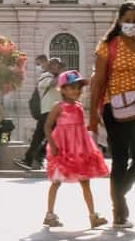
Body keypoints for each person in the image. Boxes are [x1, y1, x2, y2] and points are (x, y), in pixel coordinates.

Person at [87, 1, 135, 229]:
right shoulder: (107, 46)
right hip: (113, 107)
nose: (130, 24)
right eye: (126, 20)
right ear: (118, 20)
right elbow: (98, 81)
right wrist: (92, 113)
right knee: (120, 159)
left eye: (134, 21)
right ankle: (120, 211)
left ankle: (119, 193)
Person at [40, 71, 107, 229]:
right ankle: (49, 215)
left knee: (85, 182)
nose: (77, 91)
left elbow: (80, 129)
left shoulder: (79, 107)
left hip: (80, 150)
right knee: (56, 182)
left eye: (78, 88)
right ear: (62, 89)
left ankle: (93, 216)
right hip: (63, 149)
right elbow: (47, 126)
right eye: (72, 88)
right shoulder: (58, 107)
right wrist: (53, 145)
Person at [17, 56, 67, 171]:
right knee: (40, 137)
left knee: (52, 137)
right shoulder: (46, 76)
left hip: (55, 112)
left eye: (59, 66)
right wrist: (61, 73)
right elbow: (53, 84)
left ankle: (33, 159)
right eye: (56, 65)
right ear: (51, 66)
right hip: (48, 112)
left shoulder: (57, 77)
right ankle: (32, 159)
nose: (58, 67)